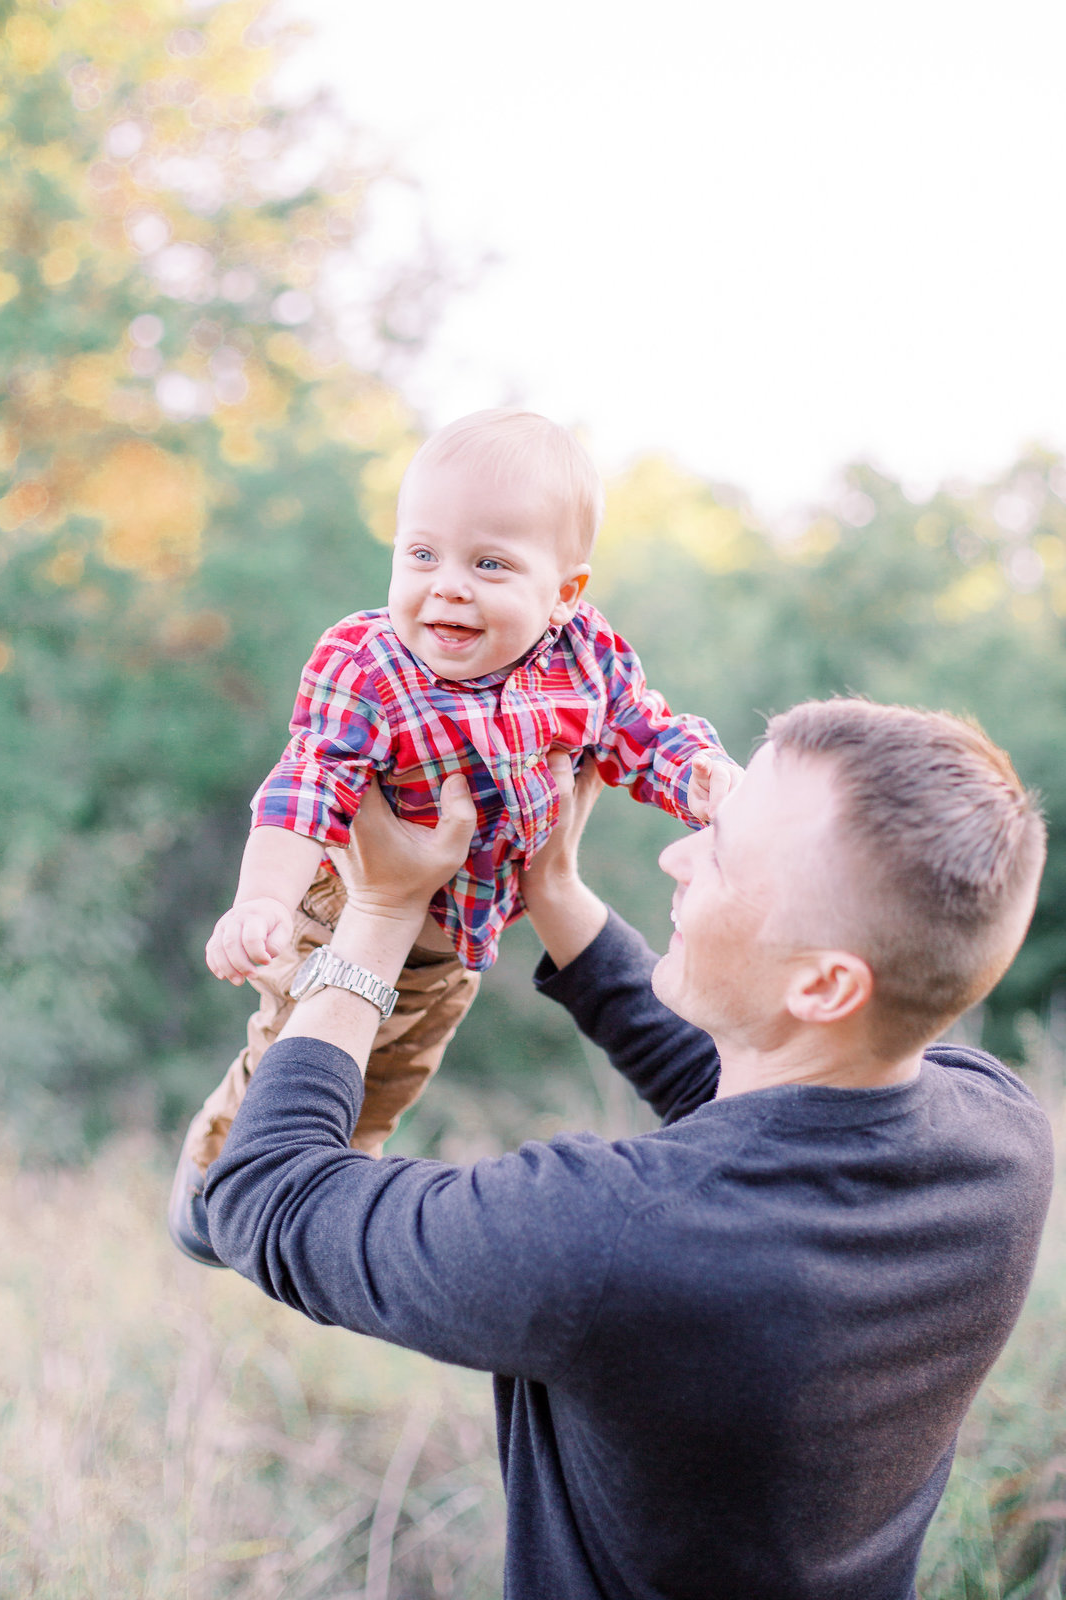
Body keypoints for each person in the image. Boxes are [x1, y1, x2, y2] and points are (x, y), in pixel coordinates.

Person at [203, 698, 1053, 1600]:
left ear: (827, 982)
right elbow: (757, 1086)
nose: (676, 855)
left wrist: (378, 914)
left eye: (721, 852)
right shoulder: (1002, 1138)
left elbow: (266, 1195)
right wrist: (554, 891)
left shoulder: (607, 1241)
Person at [171, 408, 740, 1263]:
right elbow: (304, 788)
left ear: (565, 593)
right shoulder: (368, 663)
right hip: (341, 920)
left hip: (460, 944)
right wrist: (263, 899)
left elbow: (643, 734)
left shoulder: (584, 658)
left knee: (390, 1082)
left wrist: (705, 781)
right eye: (422, 554)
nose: (447, 586)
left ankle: (319, 1201)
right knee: (296, 1059)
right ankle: (216, 1183)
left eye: (490, 564)